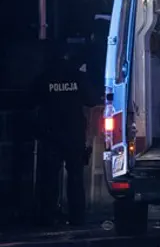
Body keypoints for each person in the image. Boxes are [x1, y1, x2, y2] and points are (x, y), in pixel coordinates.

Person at [33, 42, 94, 226]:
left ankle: (47, 217)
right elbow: (91, 100)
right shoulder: (77, 76)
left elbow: (31, 100)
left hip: (50, 134)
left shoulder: (44, 77)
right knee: (75, 176)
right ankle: (77, 217)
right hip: (74, 134)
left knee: (49, 178)